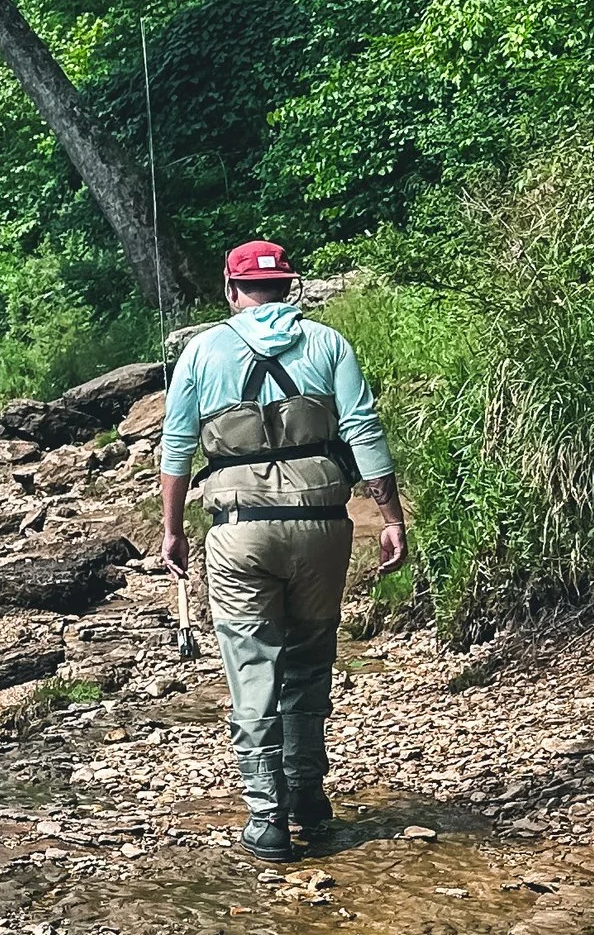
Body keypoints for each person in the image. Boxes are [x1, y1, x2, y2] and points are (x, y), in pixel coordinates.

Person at [160, 240, 408, 861]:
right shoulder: (328, 344)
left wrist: (172, 531)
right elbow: (363, 429)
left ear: (230, 288)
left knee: (253, 667)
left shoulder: (201, 351)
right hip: (323, 527)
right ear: (290, 287)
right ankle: (307, 794)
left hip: (241, 531)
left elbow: (177, 447)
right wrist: (390, 516)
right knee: (309, 658)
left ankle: (267, 818)